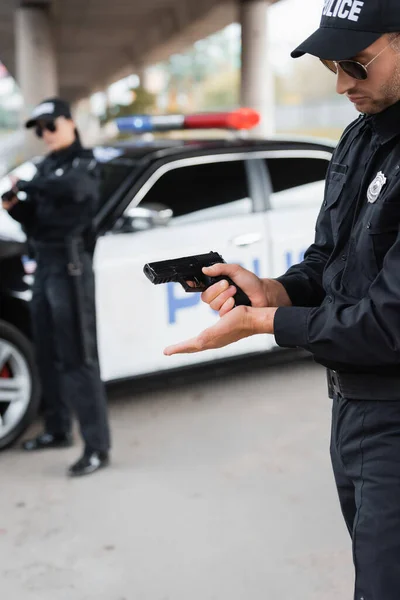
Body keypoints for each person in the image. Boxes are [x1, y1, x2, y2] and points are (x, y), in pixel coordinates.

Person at [164, 2, 400, 598]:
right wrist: (273, 290)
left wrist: (262, 321)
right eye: (330, 65)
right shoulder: (357, 138)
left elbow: (387, 326)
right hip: (350, 406)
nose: (344, 83)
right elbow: (329, 259)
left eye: (357, 63)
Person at [2, 97, 110, 477]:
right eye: (40, 129)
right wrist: (16, 205)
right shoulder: (47, 168)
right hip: (44, 264)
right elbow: (37, 223)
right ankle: (58, 429)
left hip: (70, 266)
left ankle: (97, 447)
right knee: (46, 351)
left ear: (69, 122)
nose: (45, 134)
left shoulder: (83, 164)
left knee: (78, 356)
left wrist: (29, 184)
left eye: (50, 125)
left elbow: (76, 192)